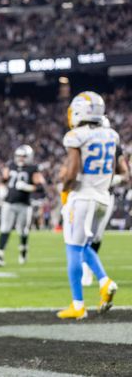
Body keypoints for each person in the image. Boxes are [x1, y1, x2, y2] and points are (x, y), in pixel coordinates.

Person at [57, 92, 128, 319]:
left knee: (73, 248)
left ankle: (78, 304)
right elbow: (120, 171)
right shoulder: (111, 135)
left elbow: (73, 169)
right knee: (85, 246)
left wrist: (65, 187)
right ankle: (105, 281)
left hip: (83, 197)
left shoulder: (76, 135)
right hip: (103, 198)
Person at [81, 116, 127, 286]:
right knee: (83, 235)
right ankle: (86, 269)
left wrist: (112, 179)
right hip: (85, 194)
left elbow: (125, 174)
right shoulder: (83, 144)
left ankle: (90, 268)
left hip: (104, 195)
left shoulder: (114, 146)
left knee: (97, 235)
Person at [0, 145, 45, 266]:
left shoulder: (33, 169)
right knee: (5, 228)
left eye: (24, 156)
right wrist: (0, 190)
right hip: (9, 202)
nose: (21, 159)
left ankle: (23, 249)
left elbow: (42, 187)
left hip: (24, 204)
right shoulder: (11, 166)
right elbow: (3, 179)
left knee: (23, 231)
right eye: (19, 156)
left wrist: (28, 187)